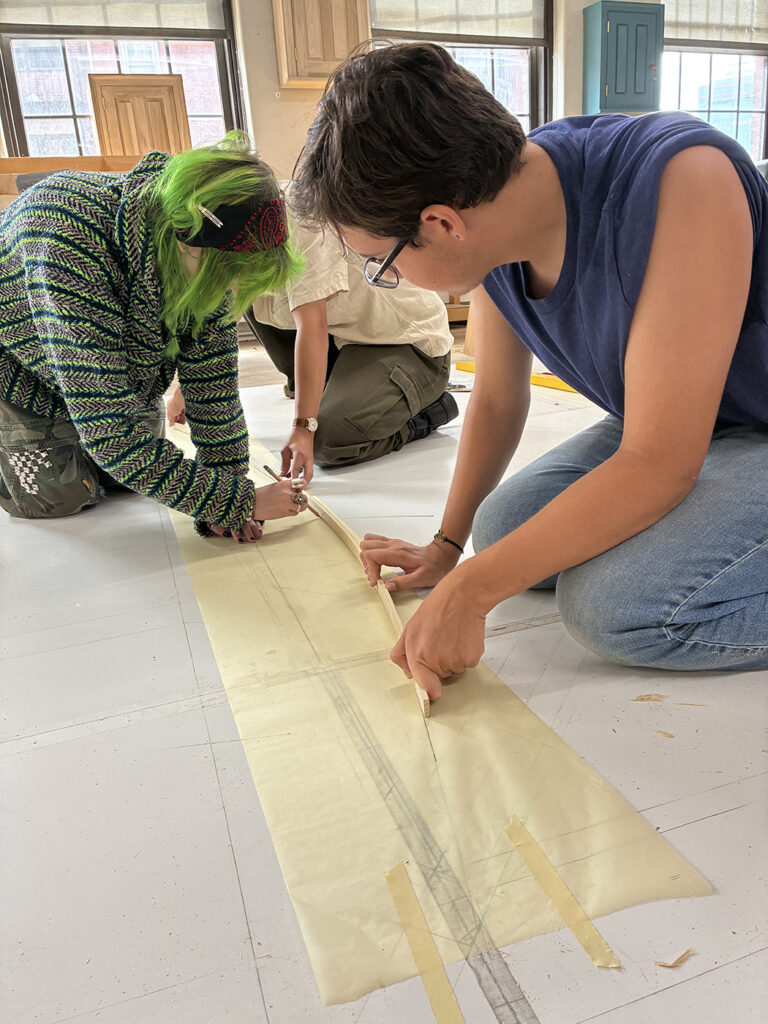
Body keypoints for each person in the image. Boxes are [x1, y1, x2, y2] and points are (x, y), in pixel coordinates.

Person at [291, 42, 768, 699]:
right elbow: (494, 399)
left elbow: (661, 460)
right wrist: (448, 548)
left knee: (618, 607)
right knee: (502, 531)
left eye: (384, 262)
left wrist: (470, 593)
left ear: (442, 222)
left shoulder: (685, 180)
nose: (390, 277)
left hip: (741, 422)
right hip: (707, 417)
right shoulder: (500, 220)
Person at [0, 133, 309, 542]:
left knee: (129, 479)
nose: (230, 289)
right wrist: (240, 500)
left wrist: (229, 494)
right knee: (64, 497)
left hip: (118, 370)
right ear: (188, 239)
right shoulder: (67, 241)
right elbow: (112, 437)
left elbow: (213, 390)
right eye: (229, 274)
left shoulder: (207, 248)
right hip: (24, 370)